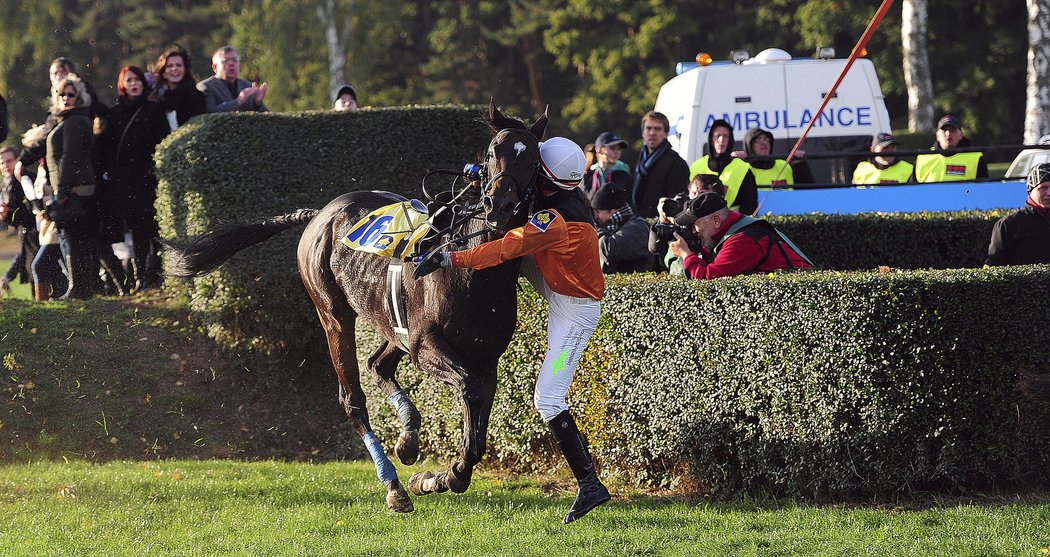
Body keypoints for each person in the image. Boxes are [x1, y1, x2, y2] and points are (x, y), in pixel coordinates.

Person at [412, 137, 610, 524]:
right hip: (559, 279)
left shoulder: (554, 221)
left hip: (575, 313)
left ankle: (590, 484)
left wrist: (451, 257)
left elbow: (504, 248)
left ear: (546, 176)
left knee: (548, 398)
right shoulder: (561, 191)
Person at [99, 65, 171, 291]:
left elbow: (164, 141)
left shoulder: (154, 110)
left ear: (143, 83)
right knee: (137, 233)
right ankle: (141, 279)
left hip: (149, 180)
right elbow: (107, 149)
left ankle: (154, 276)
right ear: (122, 84)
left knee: (155, 231)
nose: (133, 84)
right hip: (125, 184)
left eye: (137, 79)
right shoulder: (115, 113)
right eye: (129, 80)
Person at [666, 192, 812, 280]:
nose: (693, 231)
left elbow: (709, 280)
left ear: (716, 220)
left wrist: (686, 255)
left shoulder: (743, 239)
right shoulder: (733, 227)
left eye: (695, 224)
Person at [47, 74, 100, 299]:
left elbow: (70, 157)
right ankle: (82, 287)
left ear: (79, 97)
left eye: (71, 94)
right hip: (74, 187)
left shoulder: (75, 121)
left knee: (73, 237)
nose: (66, 98)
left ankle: (78, 288)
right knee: (76, 237)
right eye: (62, 94)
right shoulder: (70, 120)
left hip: (74, 189)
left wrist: (63, 191)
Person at [986, 163, 1050, 266]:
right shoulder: (1008, 225)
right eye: (1043, 188)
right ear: (1030, 190)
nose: (1049, 193)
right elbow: (995, 266)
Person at [688, 119, 757, 214]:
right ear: (711, 139)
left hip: (731, 223)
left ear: (730, 140)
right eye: (717, 136)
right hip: (699, 223)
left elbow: (750, 205)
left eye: (725, 136)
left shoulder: (742, 168)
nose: (721, 140)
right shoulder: (696, 166)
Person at [629, 111, 689, 218]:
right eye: (648, 128)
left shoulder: (676, 163)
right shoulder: (638, 161)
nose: (652, 133)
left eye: (657, 129)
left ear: (666, 133)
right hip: (638, 221)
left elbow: (677, 202)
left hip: (661, 225)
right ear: (643, 132)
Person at [1, 146, 39, 297]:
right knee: (33, 271)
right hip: (26, 233)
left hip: (37, 231)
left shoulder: (25, 178)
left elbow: (31, 212)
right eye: (2, 162)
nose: (5, 165)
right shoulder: (6, 184)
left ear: (17, 160)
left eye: (9, 161)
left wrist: (8, 215)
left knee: (39, 270)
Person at [591, 185, 652, 274]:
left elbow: (608, 250)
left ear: (612, 211)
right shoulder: (615, 227)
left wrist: (593, 228)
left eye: (597, 212)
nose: (595, 217)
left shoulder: (637, 228)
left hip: (633, 285)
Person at [915, 115, 988, 183]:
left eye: (953, 130)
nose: (948, 134)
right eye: (944, 130)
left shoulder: (975, 158)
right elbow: (912, 191)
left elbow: (985, 190)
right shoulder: (923, 159)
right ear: (937, 136)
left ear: (961, 134)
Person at [196, 46, 269, 113]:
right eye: (225, 61)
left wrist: (257, 103)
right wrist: (238, 102)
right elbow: (208, 114)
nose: (231, 63)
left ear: (239, 65)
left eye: (234, 60)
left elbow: (268, 117)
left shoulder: (248, 86)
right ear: (215, 67)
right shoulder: (205, 87)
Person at [152, 45, 207, 131]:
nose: (174, 69)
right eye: (169, 66)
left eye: (179, 65)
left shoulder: (196, 97)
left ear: (185, 69)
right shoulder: (155, 99)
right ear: (163, 71)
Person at [738, 127, 814, 187]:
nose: (764, 143)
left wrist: (800, 164)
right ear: (749, 145)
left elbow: (809, 190)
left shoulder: (784, 165)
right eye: (758, 140)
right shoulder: (742, 169)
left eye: (766, 139)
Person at [584, 132, 631, 198]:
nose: (616, 151)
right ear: (600, 150)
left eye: (619, 149)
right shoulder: (588, 175)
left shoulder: (624, 175)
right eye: (612, 148)